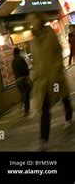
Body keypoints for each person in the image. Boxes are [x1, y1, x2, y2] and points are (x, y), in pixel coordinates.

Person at [27, 13, 73, 151]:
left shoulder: (50, 32)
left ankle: (69, 116)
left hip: (55, 76)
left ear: (39, 19)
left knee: (63, 97)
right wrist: (35, 77)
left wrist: (58, 66)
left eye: (34, 19)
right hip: (43, 81)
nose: (33, 22)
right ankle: (43, 140)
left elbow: (58, 50)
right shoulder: (32, 41)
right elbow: (35, 62)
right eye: (30, 21)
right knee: (45, 109)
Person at [11, 47, 32, 115]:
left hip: (17, 80)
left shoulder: (13, 61)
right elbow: (25, 68)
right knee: (27, 92)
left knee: (24, 93)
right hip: (23, 79)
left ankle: (22, 105)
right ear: (19, 52)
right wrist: (27, 75)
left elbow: (14, 71)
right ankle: (26, 110)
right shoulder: (20, 58)